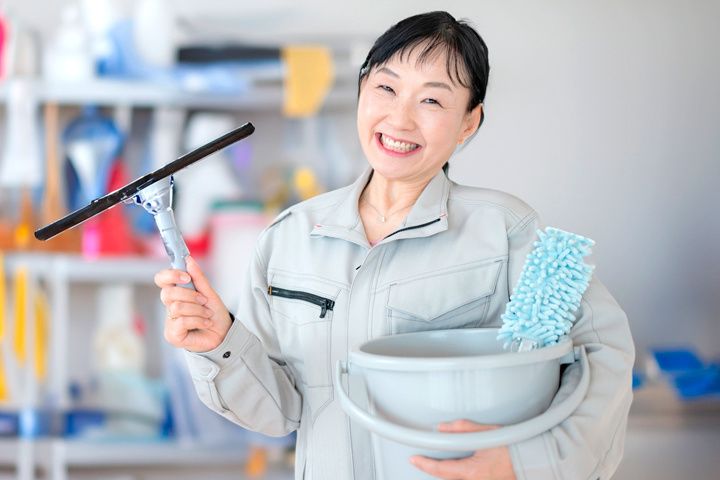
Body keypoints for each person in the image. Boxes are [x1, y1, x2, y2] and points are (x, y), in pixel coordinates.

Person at [154, 11, 634, 480]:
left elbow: (604, 351)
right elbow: (280, 412)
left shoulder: (504, 229)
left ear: (469, 122)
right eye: (387, 88)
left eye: (432, 100)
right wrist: (220, 343)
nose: (400, 119)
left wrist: (528, 463)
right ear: (363, 89)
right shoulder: (290, 237)